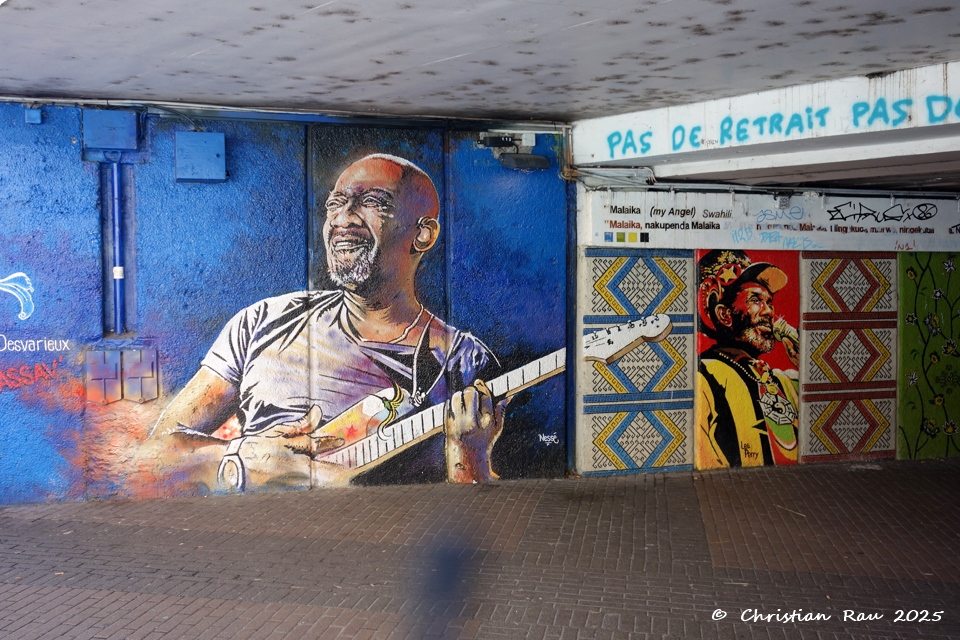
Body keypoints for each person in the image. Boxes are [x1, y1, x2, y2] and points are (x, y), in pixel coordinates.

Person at [141, 154, 505, 492]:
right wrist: (243, 457)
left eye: (372, 202)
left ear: (423, 234)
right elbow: (157, 452)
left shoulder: (462, 361)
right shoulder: (263, 322)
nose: (343, 218)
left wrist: (468, 456)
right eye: (335, 204)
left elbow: (480, 509)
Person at [695, 250, 800, 468]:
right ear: (724, 314)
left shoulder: (783, 381)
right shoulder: (705, 376)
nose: (769, 312)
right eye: (756, 300)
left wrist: (804, 359)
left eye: (769, 302)